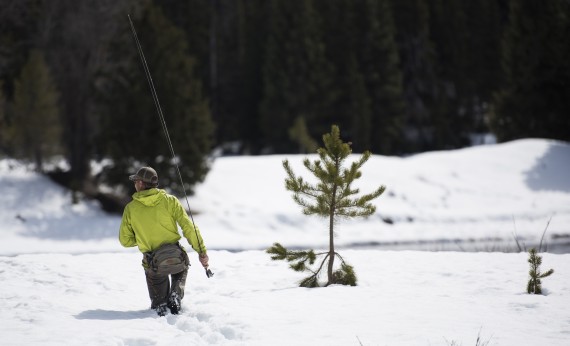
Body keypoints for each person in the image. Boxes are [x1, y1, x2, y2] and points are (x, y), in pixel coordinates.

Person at [119, 166, 209, 316]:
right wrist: (202, 252)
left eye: (136, 181)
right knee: (181, 267)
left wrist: (143, 237)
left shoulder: (130, 208)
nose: (134, 184)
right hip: (176, 259)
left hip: (153, 263)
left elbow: (125, 241)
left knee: (159, 308)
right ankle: (176, 294)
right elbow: (188, 227)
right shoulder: (170, 201)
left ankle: (161, 309)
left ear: (141, 183)